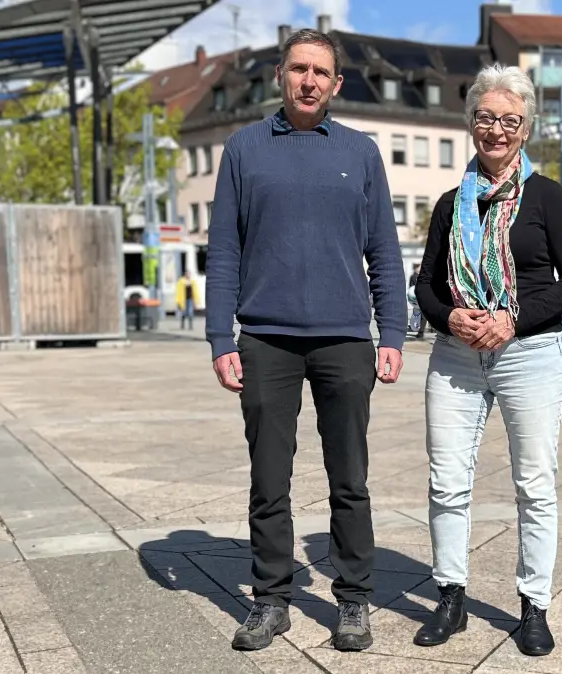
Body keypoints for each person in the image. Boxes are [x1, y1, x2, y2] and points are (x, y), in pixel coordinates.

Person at [203, 28, 406, 653]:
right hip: (266, 339)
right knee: (270, 479)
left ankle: (353, 601)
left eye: (320, 72)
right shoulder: (243, 150)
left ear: (337, 84)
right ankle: (270, 600)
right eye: (298, 69)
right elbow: (225, 251)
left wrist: (391, 331)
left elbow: (384, 252)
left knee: (350, 478)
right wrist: (220, 337)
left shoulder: (361, 152)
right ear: (280, 76)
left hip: (346, 340)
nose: (309, 81)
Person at [411, 63, 562, 657]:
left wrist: (514, 318)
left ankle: (533, 605)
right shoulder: (446, 205)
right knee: (447, 482)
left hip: (529, 353)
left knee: (535, 485)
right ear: (471, 123)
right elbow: (427, 285)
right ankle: (451, 597)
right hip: (456, 357)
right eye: (486, 118)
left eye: (510, 121)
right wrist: (447, 317)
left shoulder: (546, 196)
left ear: (526, 128)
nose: (497, 130)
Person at [408, 264, 426, 339]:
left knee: (417, 314)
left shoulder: (414, 276)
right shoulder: (416, 276)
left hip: (416, 299)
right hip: (420, 298)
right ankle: (420, 331)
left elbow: (410, 287)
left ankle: (418, 329)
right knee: (423, 316)